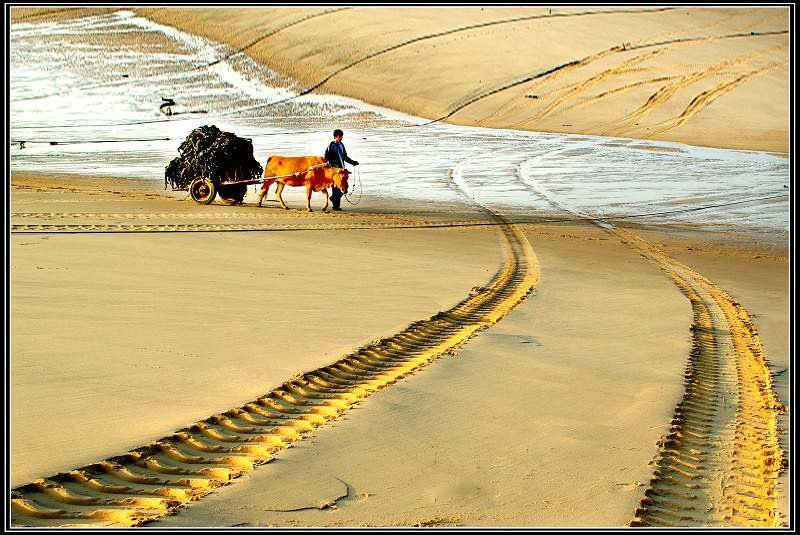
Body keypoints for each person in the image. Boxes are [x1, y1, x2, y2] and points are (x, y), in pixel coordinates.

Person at [323, 128, 359, 211]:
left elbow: (345, 157)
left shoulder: (341, 145)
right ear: (335, 137)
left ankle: (333, 199)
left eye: (341, 137)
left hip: (342, 170)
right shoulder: (330, 146)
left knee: (345, 187)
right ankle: (336, 206)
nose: (341, 138)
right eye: (339, 137)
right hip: (335, 171)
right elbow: (326, 158)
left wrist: (353, 162)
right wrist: (331, 167)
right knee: (336, 188)